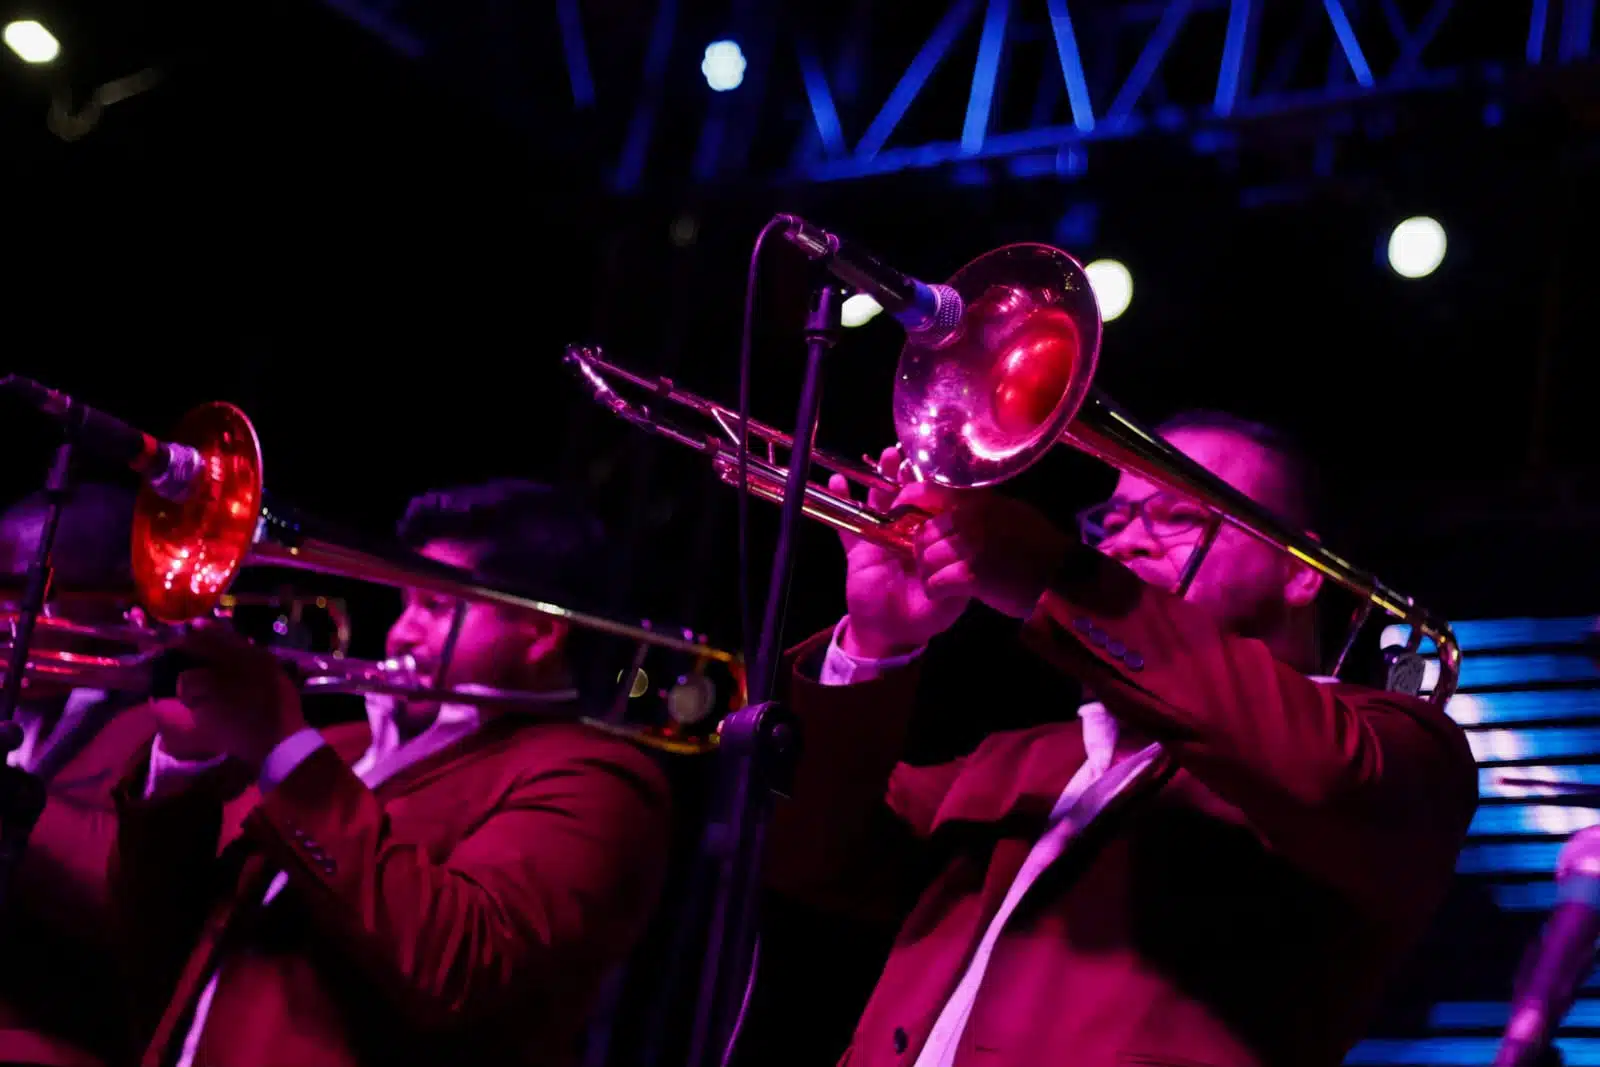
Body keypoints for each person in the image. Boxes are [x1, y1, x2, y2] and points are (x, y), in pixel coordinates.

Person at [766, 410, 1479, 1067]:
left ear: (1301, 570)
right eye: (1109, 520)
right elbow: (812, 854)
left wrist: (1057, 576)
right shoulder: (1019, 759)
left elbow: (1324, 774)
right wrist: (877, 641)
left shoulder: (1401, 746)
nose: (1125, 539)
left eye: (1177, 516)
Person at [109, 479, 673, 1067]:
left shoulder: (599, 781)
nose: (402, 631)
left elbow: (461, 967)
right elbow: (158, 942)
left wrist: (285, 750)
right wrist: (181, 761)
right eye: (405, 604)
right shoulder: (337, 748)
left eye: (436, 606)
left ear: (539, 631)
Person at [0, 482, 162, 1067]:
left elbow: (126, 899)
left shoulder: (167, 732)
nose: (7, 618)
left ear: (122, 599)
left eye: (32, 593)